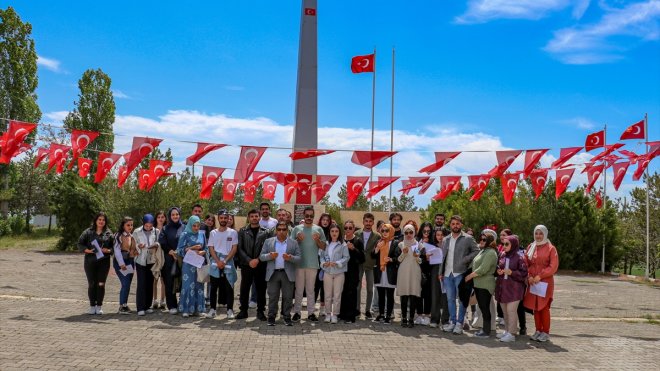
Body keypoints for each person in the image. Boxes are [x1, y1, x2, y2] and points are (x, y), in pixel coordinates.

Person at [439, 215, 479, 335]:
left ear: (461, 225)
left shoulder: (468, 238)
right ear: (450, 225)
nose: (455, 226)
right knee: (450, 299)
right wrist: (440, 272)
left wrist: (465, 259)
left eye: (457, 223)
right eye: (453, 224)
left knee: (462, 300)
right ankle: (452, 322)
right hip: (447, 274)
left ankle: (459, 324)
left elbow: (476, 251)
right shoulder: (445, 239)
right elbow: (443, 257)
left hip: (460, 273)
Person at [260, 221, 301, 326]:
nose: (281, 232)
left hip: (287, 274)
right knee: (273, 297)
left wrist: (290, 258)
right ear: (276, 231)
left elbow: (299, 258)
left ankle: (287, 317)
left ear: (287, 231)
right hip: (273, 273)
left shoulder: (293, 242)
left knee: (287, 297)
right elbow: (261, 256)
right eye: (279, 229)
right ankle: (271, 317)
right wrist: (270, 255)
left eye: (284, 229)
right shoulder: (268, 242)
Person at [291, 206, 327, 322]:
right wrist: (297, 240)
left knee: (311, 290)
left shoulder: (319, 229)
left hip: (312, 264)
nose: (309, 218)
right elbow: (290, 247)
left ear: (313, 216)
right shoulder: (296, 229)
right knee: (299, 290)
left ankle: (311, 313)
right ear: (303, 216)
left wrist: (317, 241)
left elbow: (324, 247)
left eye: (311, 216)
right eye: (307, 216)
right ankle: (297, 312)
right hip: (299, 264)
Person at [524, 225, 559, 343]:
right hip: (533, 282)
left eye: (540, 233)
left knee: (544, 307)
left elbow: (553, 266)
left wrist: (541, 275)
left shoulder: (551, 248)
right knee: (536, 308)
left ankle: (546, 332)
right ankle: (538, 330)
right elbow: (526, 263)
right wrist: (529, 276)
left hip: (545, 282)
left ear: (545, 234)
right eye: (536, 233)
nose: (538, 236)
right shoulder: (531, 246)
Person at [236, 209, 269, 320]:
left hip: (261, 265)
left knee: (261, 288)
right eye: (252, 216)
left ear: (259, 217)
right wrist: (249, 260)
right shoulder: (242, 231)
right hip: (246, 264)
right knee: (244, 288)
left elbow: (267, 248)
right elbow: (239, 248)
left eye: (256, 216)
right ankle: (243, 311)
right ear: (249, 218)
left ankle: (260, 311)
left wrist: (258, 260)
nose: (254, 218)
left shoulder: (266, 232)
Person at [464, 230, 499, 338]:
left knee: (485, 308)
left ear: (489, 241)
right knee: (483, 308)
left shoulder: (491, 252)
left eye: (484, 239)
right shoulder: (483, 251)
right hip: (479, 284)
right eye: (481, 239)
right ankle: (484, 329)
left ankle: (486, 331)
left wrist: (470, 276)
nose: (482, 241)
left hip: (485, 284)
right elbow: (474, 264)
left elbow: (483, 269)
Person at [78, 212, 114, 315]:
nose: (101, 222)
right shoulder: (88, 232)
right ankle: (92, 306)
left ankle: (99, 306)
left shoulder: (109, 233)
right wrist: (87, 250)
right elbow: (80, 244)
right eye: (99, 220)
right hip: (90, 262)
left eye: (103, 220)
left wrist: (108, 251)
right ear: (96, 221)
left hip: (104, 263)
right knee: (92, 284)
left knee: (101, 284)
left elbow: (114, 248)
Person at [495, 235, 528, 342]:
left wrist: (512, 272)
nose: (504, 246)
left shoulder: (519, 257)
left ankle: (512, 333)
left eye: (507, 244)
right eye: (503, 244)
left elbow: (524, 274)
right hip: (503, 287)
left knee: (511, 311)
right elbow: (499, 267)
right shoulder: (502, 255)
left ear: (513, 245)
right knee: (505, 311)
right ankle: (507, 331)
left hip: (515, 289)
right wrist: (499, 271)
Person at [207, 209, 238, 319]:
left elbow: (234, 248)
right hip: (215, 263)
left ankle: (229, 310)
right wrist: (217, 261)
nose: (223, 220)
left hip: (228, 262)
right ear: (218, 219)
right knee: (213, 288)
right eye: (221, 218)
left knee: (229, 287)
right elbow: (211, 248)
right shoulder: (213, 233)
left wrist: (224, 261)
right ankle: (212, 309)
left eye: (225, 218)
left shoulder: (233, 232)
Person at [176, 215, 207, 317]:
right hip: (188, 265)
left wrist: (203, 252)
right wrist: (192, 248)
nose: (196, 228)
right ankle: (186, 309)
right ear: (190, 224)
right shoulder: (184, 234)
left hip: (198, 264)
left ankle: (198, 309)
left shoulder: (202, 235)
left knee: (199, 286)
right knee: (188, 286)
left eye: (198, 226)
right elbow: (179, 250)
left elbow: (206, 249)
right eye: (194, 226)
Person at [133, 214, 164, 316]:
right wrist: (138, 246)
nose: (148, 227)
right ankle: (140, 307)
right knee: (141, 283)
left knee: (149, 283)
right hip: (140, 260)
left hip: (151, 260)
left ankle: (147, 305)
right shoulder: (137, 231)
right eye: (146, 225)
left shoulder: (156, 231)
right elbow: (133, 245)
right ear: (143, 223)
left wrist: (155, 245)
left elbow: (159, 243)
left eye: (150, 225)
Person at [319, 224, 350, 324]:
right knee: (327, 295)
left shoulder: (343, 244)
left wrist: (337, 263)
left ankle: (335, 314)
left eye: (336, 231)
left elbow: (346, 257)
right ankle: (328, 314)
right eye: (332, 231)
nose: (334, 233)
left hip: (339, 273)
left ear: (339, 233)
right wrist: (324, 263)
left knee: (337, 295)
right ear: (329, 232)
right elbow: (321, 256)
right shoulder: (325, 244)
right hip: (327, 272)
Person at [158, 207, 185, 314]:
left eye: (177, 214)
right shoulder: (165, 228)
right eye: (173, 215)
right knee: (169, 282)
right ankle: (172, 306)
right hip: (169, 259)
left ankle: (182, 304)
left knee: (183, 282)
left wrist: (179, 252)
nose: (175, 216)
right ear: (170, 216)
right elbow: (162, 242)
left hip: (182, 259)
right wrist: (171, 251)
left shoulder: (185, 227)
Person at [372, 223, 400, 324]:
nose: (384, 232)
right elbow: (372, 255)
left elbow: (398, 258)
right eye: (382, 230)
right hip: (380, 271)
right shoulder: (379, 241)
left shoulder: (396, 243)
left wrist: (391, 259)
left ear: (391, 231)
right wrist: (377, 249)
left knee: (389, 295)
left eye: (386, 230)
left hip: (390, 272)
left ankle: (388, 315)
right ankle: (381, 314)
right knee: (380, 294)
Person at [338, 220, 365, 323]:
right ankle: (342, 314)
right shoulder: (341, 240)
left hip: (353, 271)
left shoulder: (358, 240)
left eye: (350, 228)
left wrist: (354, 249)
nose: (348, 230)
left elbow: (362, 258)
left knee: (351, 292)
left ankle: (351, 316)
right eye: (346, 228)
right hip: (341, 270)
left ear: (354, 229)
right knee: (342, 292)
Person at [397, 224, 422, 328]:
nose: (408, 235)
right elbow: (398, 260)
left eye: (410, 232)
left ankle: (411, 318)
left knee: (413, 295)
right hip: (403, 271)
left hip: (414, 271)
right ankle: (403, 318)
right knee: (404, 295)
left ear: (414, 233)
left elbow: (420, 261)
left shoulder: (418, 245)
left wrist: (417, 257)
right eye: (406, 232)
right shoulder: (401, 244)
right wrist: (403, 253)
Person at [356, 213, 379, 320]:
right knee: (358, 288)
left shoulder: (377, 236)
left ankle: (367, 310)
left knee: (370, 289)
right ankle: (357, 309)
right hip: (359, 263)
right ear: (363, 221)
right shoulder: (357, 233)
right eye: (366, 221)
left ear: (373, 222)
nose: (368, 223)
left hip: (370, 264)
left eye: (370, 221)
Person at [113, 217, 138, 315]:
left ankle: (124, 304)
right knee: (125, 283)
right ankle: (121, 306)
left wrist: (136, 251)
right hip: (121, 262)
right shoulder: (118, 235)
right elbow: (117, 250)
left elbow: (133, 250)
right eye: (128, 225)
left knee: (127, 284)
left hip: (130, 262)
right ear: (123, 225)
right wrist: (121, 263)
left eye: (131, 225)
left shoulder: (132, 236)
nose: (130, 227)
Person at [429, 228, 450, 328]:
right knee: (435, 295)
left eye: (442, 235)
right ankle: (434, 319)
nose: (440, 237)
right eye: (438, 235)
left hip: (446, 272)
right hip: (435, 272)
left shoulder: (449, 247)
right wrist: (427, 257)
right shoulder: (432, 247)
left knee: (446, 296)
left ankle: (445, 320)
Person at [415, 222, 433, 326]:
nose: (426, 233)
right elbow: (415, 256)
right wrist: (424, 257)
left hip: (429, 271)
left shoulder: (433, 242)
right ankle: (418, 315)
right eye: (424, 231)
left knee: (427, 295)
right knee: (418, 294)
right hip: (418, 270)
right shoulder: (417, 242)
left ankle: (426, 315)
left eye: (428, 231)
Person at [495, 228, 514, 326]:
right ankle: (500, 316)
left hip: (510, 279)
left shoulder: (512, 248)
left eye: (504, 235)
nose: (502, 237)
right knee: (499, 296)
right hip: (500, 277)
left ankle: (507, 320)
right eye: (501, 235)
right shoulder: (499, 247)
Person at [316, 213, 332, 316]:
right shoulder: (316, 231)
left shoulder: (331, 232)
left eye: (327, 220)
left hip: (327, 262)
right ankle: (311, 307)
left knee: (324, 286)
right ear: (320, 221)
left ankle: (323, 307)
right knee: (316, 285)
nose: (325, 222)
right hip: (316, 261)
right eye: (323, 220)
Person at [152, 211, 167, 309]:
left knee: (163, 280)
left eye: (162, 217)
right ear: (156, 218)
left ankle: (162, 300)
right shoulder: (152, 230)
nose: (161, 219)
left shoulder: (166, 229)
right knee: (154, 279)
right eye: (159, 217)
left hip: (165, 256)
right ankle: (155, 300)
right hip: (154, 257)